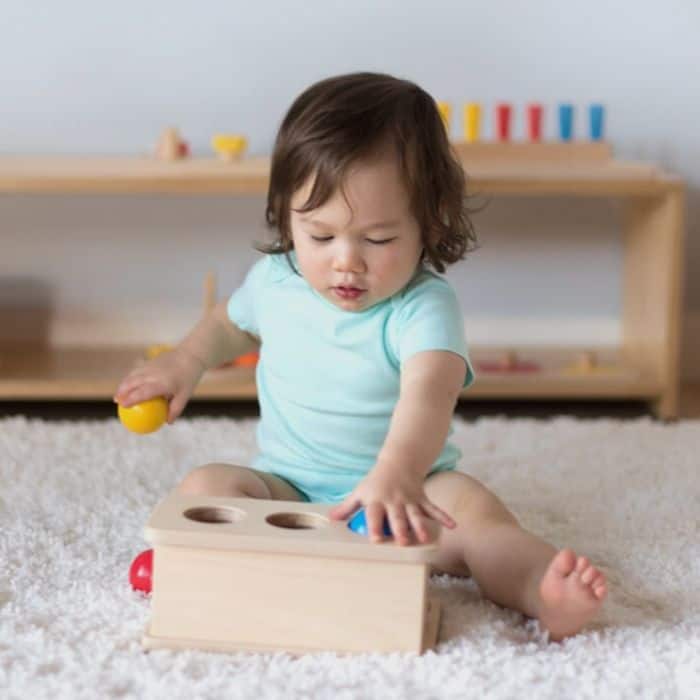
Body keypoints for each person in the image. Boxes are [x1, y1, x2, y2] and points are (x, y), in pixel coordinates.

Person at [114, 72, 607, 640]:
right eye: (320, 236)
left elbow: (429, 399)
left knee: (480, 524)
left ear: (429, 223)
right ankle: (207, 567)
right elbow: (230, 322)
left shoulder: (424, 308)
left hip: (410, 491)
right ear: (286, 214)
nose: (346, 261)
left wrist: (395, 475)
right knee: (205, 487)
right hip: (288, 488)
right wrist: (186, 361)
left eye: (377, 240)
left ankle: (543, 590)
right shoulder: (277, 282)